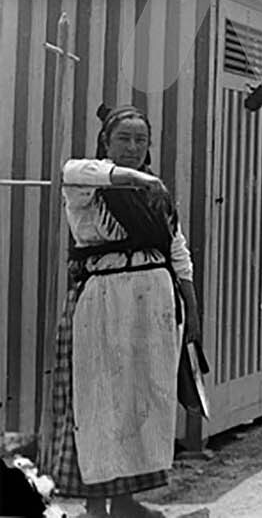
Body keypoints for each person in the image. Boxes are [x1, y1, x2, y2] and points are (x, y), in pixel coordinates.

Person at [41, 104, 200, 518]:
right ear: (106, 143)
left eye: (140, 140)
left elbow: (177, 250)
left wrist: (192, 308)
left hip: (152, 304)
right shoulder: (86, 184)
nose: (132, 147)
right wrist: (139, 177)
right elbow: (73, 169)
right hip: (102, 302)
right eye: (123, 139)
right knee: (96, 399)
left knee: (140, 397)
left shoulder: (155, 195)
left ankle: (127, 500)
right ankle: (95, 503)